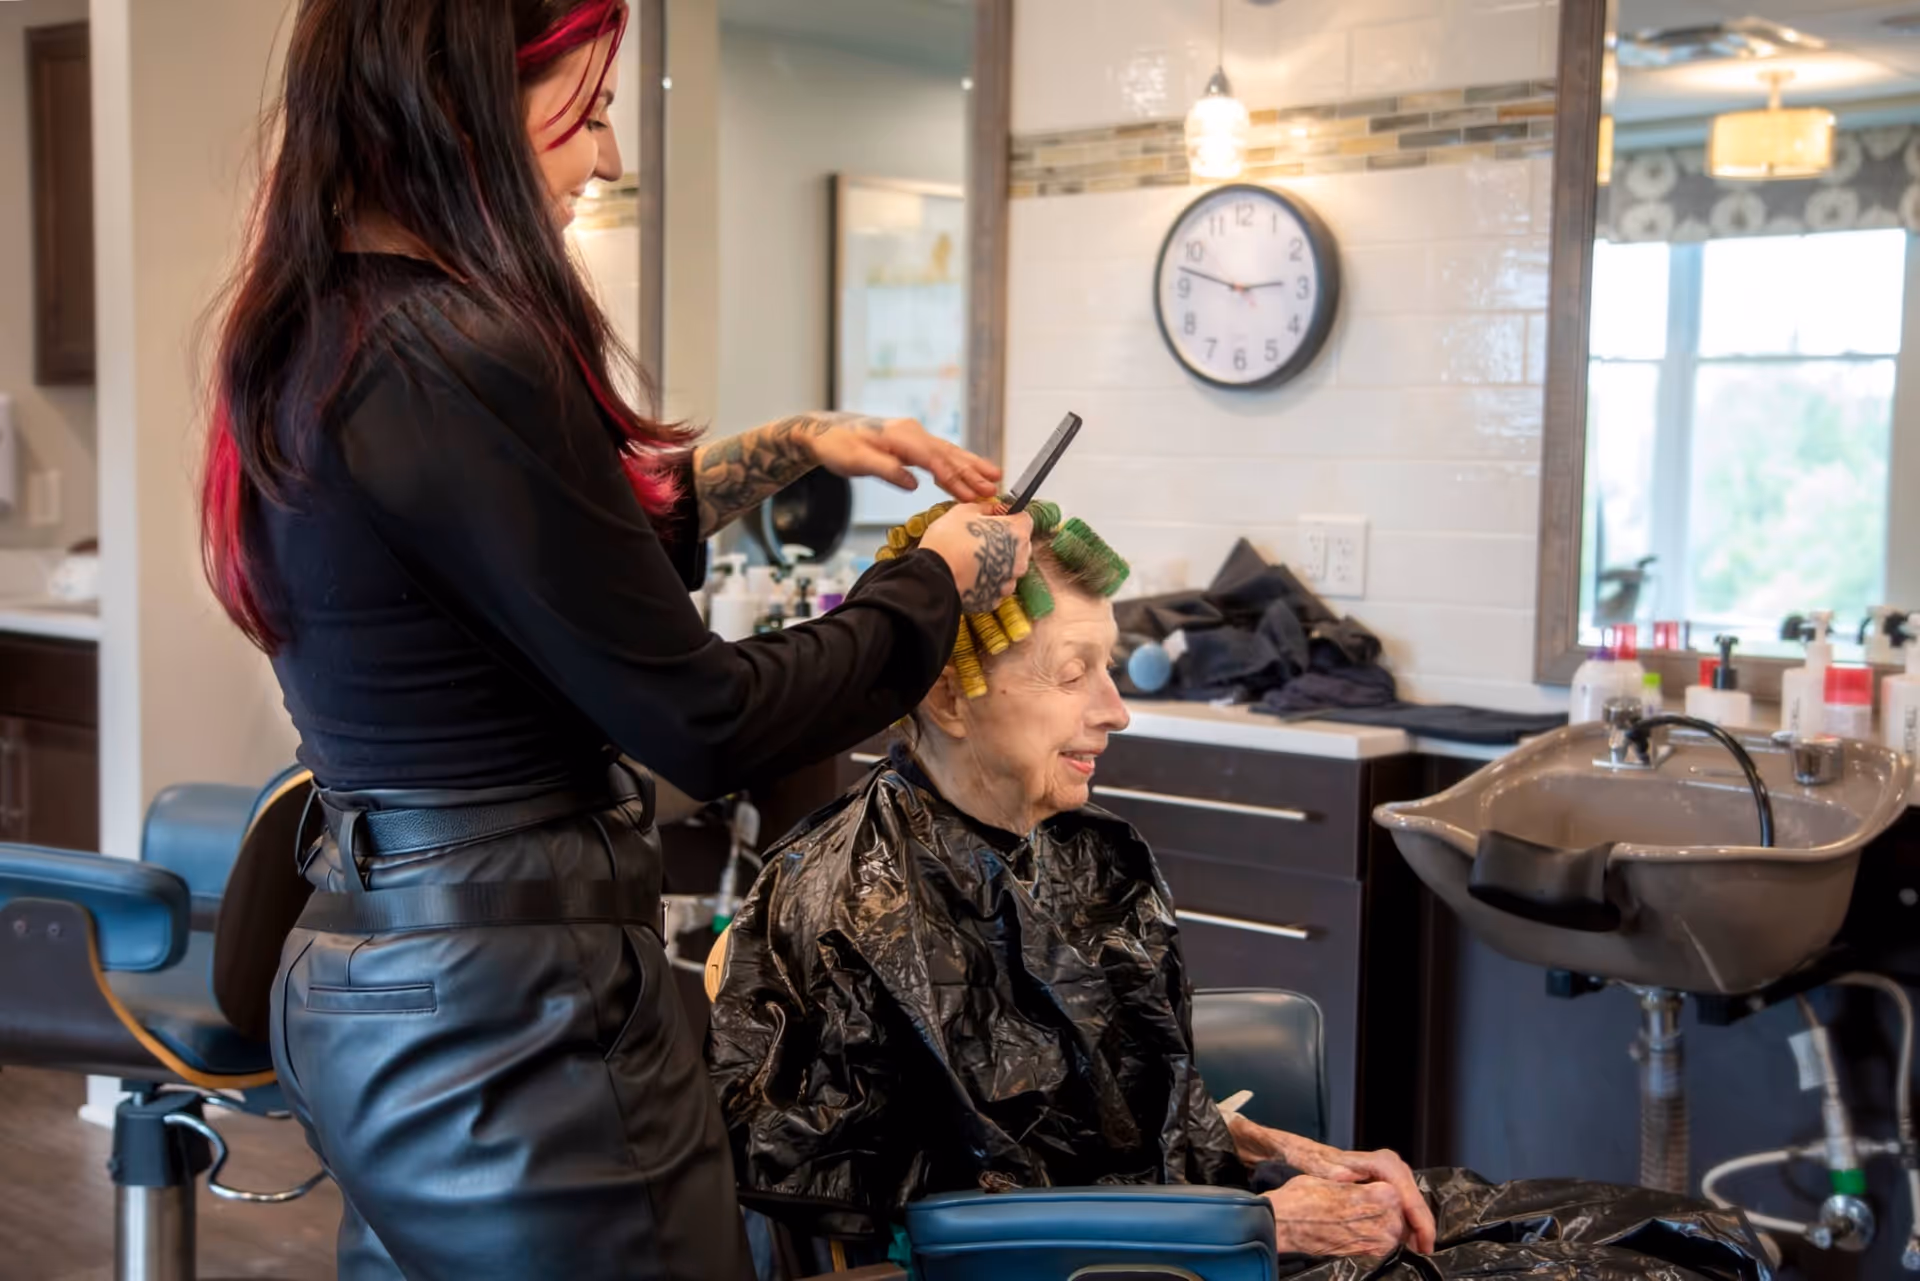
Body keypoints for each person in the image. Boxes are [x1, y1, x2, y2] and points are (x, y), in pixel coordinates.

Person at [197, 3, 1031, 1278]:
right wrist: (933, 584)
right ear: (460, 100)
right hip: (509, 1021)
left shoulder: (327, 331)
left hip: (380, 988)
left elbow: (544, 561)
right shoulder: (459, 351)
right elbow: (707, 718)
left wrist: (792, 445)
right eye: (586, 113)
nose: (611, 157)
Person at [707, 514, 1438, 1261]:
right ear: (950, 697)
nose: (1115, 710)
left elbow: (1113, 1109)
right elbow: (912, 1212)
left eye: (1109, 666)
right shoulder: (843, 898)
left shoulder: (1097, 853)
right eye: (1071, 672)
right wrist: (1258, 1224)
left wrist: (1284, 1152)